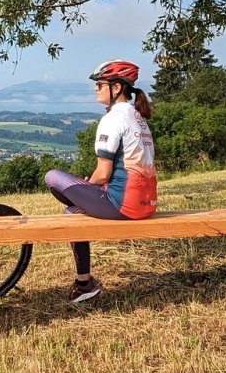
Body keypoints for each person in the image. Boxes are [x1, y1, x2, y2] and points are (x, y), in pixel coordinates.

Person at [44, 59, 157, 303]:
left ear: (116, 88)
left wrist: (89, 186)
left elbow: (103, 174)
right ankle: (84, 283)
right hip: (146, 203)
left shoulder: (112, 119)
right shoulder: (139, 118)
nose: (95, 89)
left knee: (52, 177)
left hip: (123, 204)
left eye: (99, 84)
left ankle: (85, 284)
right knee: (71, 212)